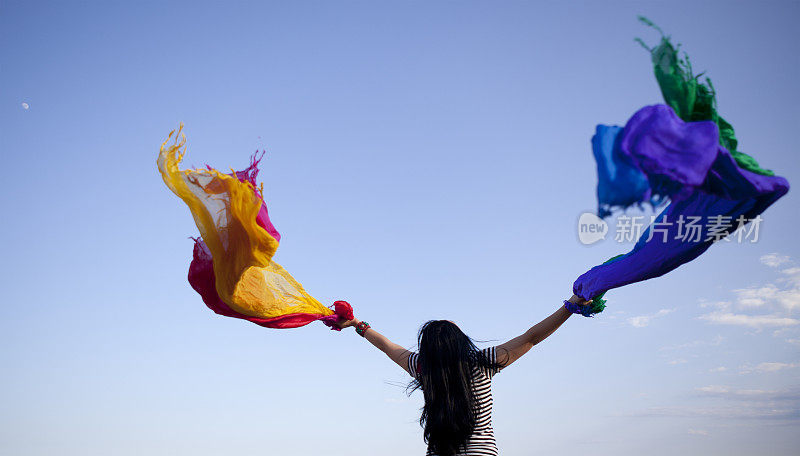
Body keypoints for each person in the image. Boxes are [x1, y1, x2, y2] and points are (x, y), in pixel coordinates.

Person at [336, 294, 592, 456]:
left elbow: (385, 345)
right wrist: (569, 307)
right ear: (460, 342)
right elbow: (531, 338)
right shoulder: (482, 362)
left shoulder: (422, 368)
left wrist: (358, 324)